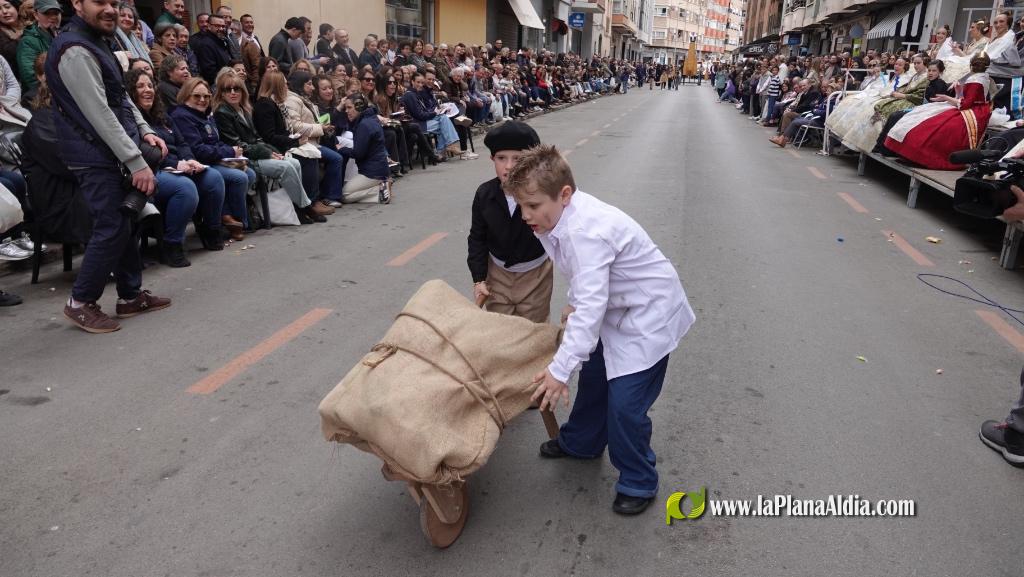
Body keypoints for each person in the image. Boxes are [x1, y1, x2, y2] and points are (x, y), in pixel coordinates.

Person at [504, 144, 695, 515]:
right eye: (521, 206)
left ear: (564, 195)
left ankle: (639, 480)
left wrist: (559, 371)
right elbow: (586, 277)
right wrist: (576, 302)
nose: (525, 215)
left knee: (625, 406)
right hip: (617, 308)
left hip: (647, 318)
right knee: (593, 376)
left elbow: (592, 299)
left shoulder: (586, 231)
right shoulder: (559, 215)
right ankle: (582, 442)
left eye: (532, 206)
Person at [48, 0, 172, 333]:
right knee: (112, 226)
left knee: (126, 221)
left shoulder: (99, 40)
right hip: (94, 155)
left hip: (114, 152)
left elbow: (121, 97)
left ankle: (130, 296)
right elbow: (98, 113)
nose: (110, 9)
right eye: (99, 1)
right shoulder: (74, 49)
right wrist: (136, 162)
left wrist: (146, 131)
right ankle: (80, 302)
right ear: (77, 4)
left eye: (114, 3)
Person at [126, 68, 224, 263]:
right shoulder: (130, 120)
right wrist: (177, 163)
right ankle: (172, 244)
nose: (147, 90)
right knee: (185, 188)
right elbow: (146, 153)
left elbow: (182, 143)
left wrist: (189, 160)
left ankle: (210, 229)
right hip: (151, 170)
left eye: (150, 85)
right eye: (140, 86)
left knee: (213, 177)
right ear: (129, 92)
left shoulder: (163, 116)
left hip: (178, 166)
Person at [467, 121, 552, 323]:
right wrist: (479, 278)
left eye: (518, 158)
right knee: (501, 330)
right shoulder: (485, 194)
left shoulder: (543, 194)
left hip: (535, 275)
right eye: (501, 158)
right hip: (497, 275)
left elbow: (562, 237)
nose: (509, 166)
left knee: (534, 332)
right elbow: (477, 238)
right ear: (492, 159)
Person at [212, 70, 324, 224]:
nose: (233, 93)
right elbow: (238, 144)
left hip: (257, 153)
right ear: (221, 93)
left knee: (294, 162)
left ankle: (298, 209)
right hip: (243, 159)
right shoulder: (222, 113)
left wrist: (271, 151)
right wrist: (267, 152)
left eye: (236, 89)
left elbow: (258, 137)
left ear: (242, 91)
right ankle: (306, 207)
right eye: (227, 89)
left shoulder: (245, 109)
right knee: (286, 167)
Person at [169, 77, 252, 242]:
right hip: (200, 163)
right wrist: (229, 150)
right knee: (239, 177)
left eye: (206, 96)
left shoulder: (205, 114)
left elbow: (214, 141)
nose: (202, 100)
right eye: (197, 96)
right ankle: (237, 222)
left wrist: (233, 151)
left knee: (249, 172)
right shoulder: (182, 116)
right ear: (186, 95)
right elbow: (197, 150)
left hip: (214, 159)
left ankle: (229, 217)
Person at [884, 54, 993, 170]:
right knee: (923, 116)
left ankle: (917, 155)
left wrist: (946, 98)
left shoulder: (975, 79)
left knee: (934, 124)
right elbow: (972, 98)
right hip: (974, 109)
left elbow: (966, 103)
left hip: (971, 112)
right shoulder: (983, 77)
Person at [338, 93, 391, 204]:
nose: (346, 111)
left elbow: (358, 153)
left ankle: (379, 191)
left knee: (344, 195)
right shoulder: (369, 118)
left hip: (373, 172)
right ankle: (382, 188)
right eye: (345, 108)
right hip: (377, 168)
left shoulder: (364, 125)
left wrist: (341, 149)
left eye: (349, 108)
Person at [16, 0, 57, 101]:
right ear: (36, 15)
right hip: (42, 99)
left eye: (56, 13)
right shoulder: (28, 41)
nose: (53, 17)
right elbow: (31, 77)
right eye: (46, 13)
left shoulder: (61, 34)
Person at [191, 13, 232, 84]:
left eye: (223, 26)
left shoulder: (222, 40)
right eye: (217, 26)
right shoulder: (206, 44)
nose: (221, 29)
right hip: (216, 84)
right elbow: (209, 72)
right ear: (209, 26)